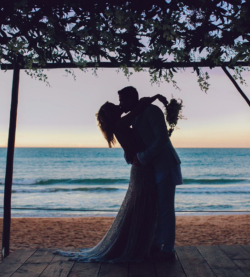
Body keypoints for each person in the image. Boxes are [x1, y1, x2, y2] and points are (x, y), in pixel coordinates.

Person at [54, 94, 168, 263]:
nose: (119, 106)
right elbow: (138, 109)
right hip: (142, 170)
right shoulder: (120, 124)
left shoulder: (119, 124)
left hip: (141, 168)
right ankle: (140, 247)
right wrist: (154, 97)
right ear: (113, 114)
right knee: (143, 207)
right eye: (116, 106)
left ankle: (145, 245)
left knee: (142, 208)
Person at [118, 86, 183, 262]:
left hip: (166, 165)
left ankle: (168, 250)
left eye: (123, 100)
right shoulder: (137, 115)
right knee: (157, 208)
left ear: (132, 99)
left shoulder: (152, 111)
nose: (121, 104)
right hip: (154, 167)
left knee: (165, 208)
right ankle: (157, 244)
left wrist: (143, 157)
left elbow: (162, 138)